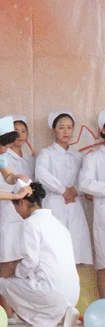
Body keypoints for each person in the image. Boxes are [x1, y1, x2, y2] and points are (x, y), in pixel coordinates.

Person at [0, 182, 80, 327]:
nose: (17, 213)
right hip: (73, 292)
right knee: (30, 281)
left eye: (16, 208)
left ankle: (40, 319)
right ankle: (61, 315)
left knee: (4, 284)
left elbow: (30, 262)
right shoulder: (58, 224)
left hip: (51, 292)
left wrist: (15, 273)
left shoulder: (30, 223)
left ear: (22, 202)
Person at [35, 111, 93, 265]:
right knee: (54, 254)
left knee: (75, 252)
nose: (66, 131)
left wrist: (76, 190)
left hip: (74, 205)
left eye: (69, 127)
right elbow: (41, 174)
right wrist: (63, 190)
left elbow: (85, 179)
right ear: (53, 130)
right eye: (61, 127)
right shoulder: (46, 153)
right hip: (54, 204)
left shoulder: (78, 156)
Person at [0, 116, 35, 287]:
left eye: (24, 131)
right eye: (16, 132)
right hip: (8, 210)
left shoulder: (30, 159)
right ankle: (5, 303)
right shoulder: (1, 155)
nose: (20, 135)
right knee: (9, 262)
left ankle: (21, 302)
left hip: (27, 214)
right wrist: (20, 186)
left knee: (26, 262)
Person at [80, 110, 105, 298]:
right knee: (104, 266)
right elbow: (84, 183)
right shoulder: (93, 157)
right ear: (102, 130)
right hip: (103, 219)